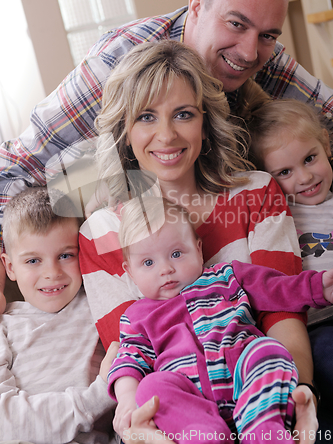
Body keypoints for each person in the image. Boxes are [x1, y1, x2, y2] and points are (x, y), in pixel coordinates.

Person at [1, 0, 333, 307]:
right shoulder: (117, 65)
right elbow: (12, 169)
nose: (250, 52)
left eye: (268, 35)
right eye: (235, 24)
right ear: (196, 6)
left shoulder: (256, 48)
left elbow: (327, 113)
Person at [78, 40, 318, 440]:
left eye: (183, 114)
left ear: (205, 124)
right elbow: (131, 348)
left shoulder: (256, 193)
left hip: (263, 392)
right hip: (174, 412)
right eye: (146, 117)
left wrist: (299, 393)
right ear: (124, 132)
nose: (167, 135)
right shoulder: (100, 232)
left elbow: (281, 312)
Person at [108, 196, 333, 444]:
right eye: (148, 262)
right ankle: (202, 434)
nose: (165, 269)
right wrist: (128, 400)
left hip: (243, 371)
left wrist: (319, 287)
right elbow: (129, 359)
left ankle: (265, 428)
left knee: (269, 350)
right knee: (151, 387)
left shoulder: (227, 276)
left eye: (176, 253)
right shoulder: (137, 315)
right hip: (189, 391)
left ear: (198, 248)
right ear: (130, 272)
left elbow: (276, 287)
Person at [243, 84, 333, 435]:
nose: (305, 177)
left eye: (310, 158)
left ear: (326, 145)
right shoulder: (280, 217)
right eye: (285, 172)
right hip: (313, 328)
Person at [0, 186, 117, 444]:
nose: (52, 272)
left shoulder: (99, 301)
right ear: (10, 266)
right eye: (33, 261)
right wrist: (97, 396)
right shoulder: (4, 326)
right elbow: (4, 422)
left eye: (65, 255)